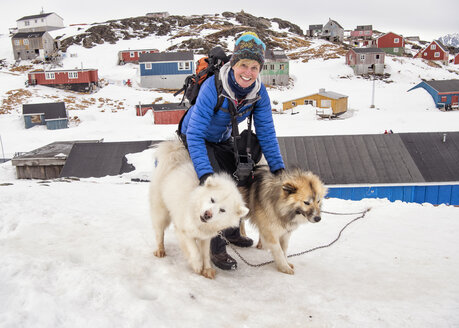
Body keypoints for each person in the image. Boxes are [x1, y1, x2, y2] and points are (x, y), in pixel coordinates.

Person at [179, 32, 285, 270]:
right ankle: (216, 248)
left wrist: (278, 167)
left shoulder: (258, 92)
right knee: (217, 186)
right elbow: (195, 134)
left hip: (223, 137)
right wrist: (206, 173)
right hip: (196, 135)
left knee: (240, 176)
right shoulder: (213, 86)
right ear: (234, 64)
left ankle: (232, 230)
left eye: (254, 67)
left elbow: (266, 131)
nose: (248, 72)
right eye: (243, 65)